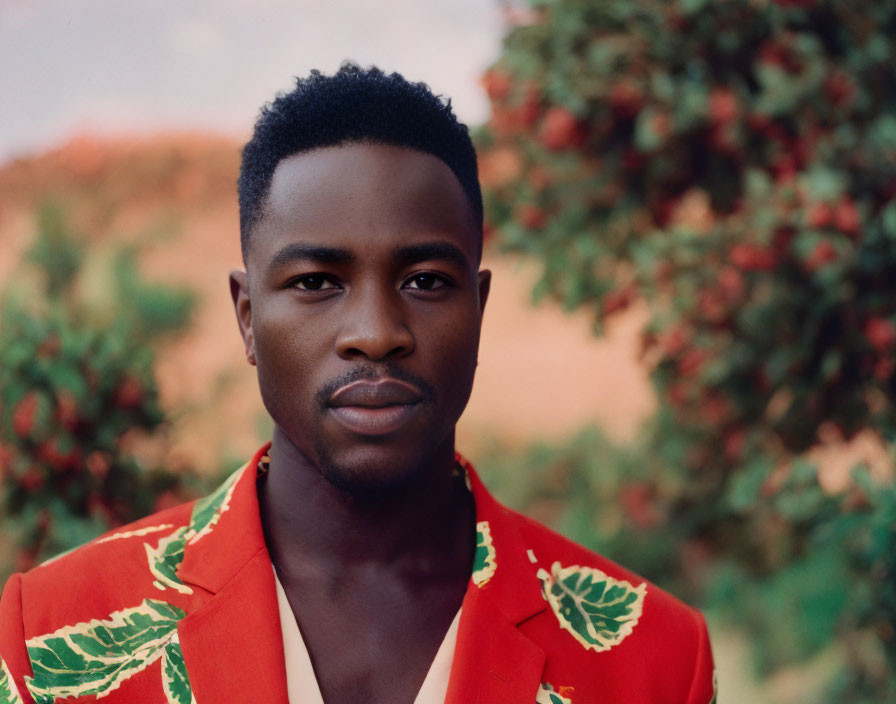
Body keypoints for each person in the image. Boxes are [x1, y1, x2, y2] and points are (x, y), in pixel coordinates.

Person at [0, 65, 716, 704]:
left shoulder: (650, 660)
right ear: (248, 319)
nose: (376, 331)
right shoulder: (50, 640)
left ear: (479, 309)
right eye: (317, 282)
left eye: (426, 280)